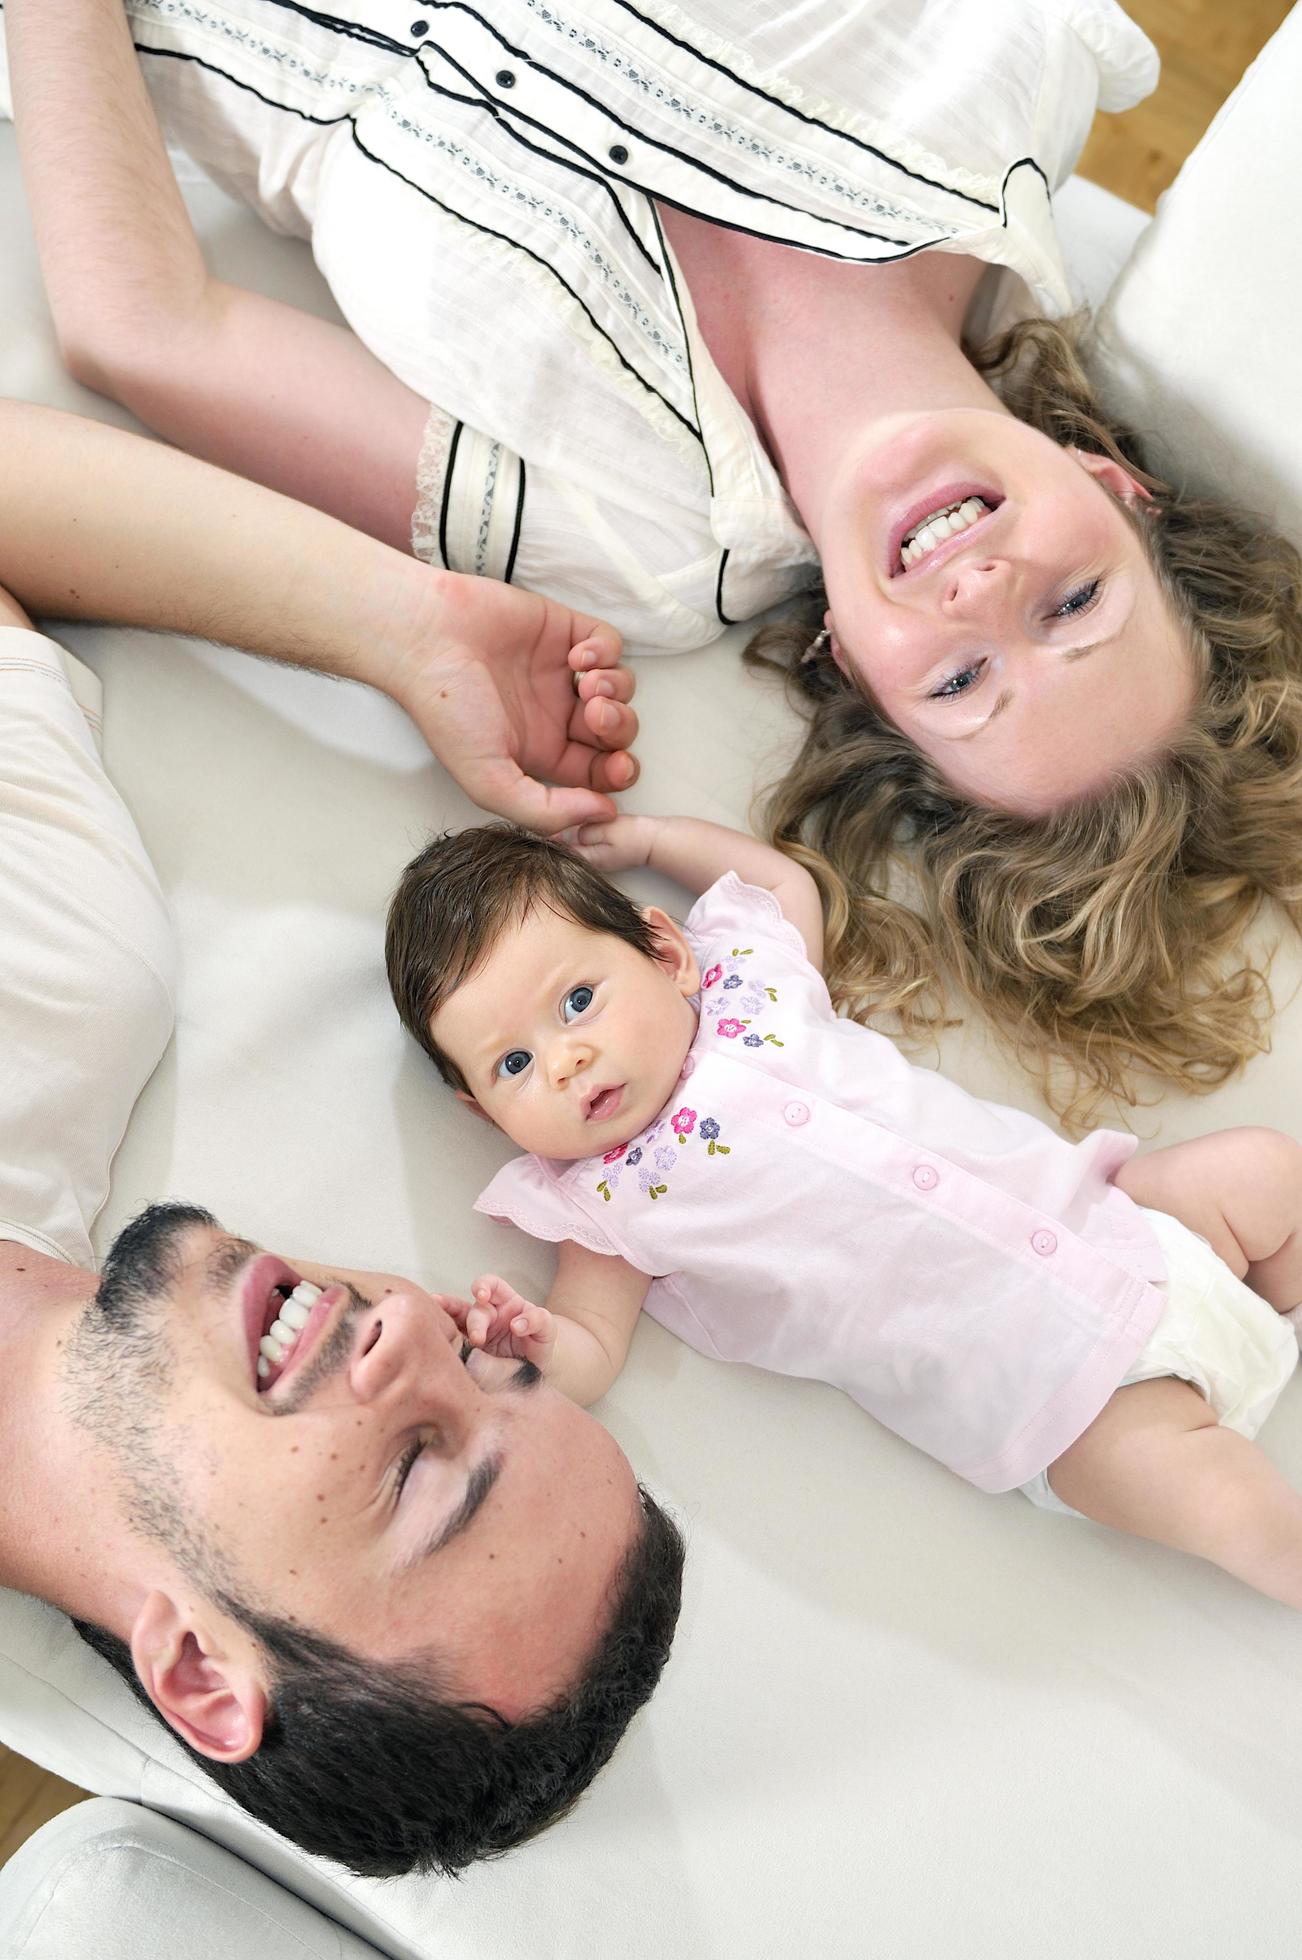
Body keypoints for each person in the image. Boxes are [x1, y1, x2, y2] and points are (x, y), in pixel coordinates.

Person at [11, 3, 1302, 1125]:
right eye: (1076, 604)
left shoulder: (629, 543)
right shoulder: (1004, 71)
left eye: (962, 684)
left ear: (850, 662)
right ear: (1115, 487)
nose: (982, 596)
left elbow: (148, 329)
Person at [0, 407, 683, 1878]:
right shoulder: (71, 975)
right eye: (494, 1363)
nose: (418, 1340)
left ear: (198, 1669)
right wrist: (407, 625)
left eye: (418, 1471)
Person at [384, 816, 1302, 1606]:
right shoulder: (609, 1204)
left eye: (578, 1001)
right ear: (480, 1111)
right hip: (1057, 1395)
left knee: (1265, 1171)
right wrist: (536, 1345)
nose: (564, 1061)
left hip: (1123, 1224)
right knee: (1230, 1506)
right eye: (512, 1065)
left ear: (668, 955)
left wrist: (654, 838)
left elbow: (785, 880)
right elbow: (592, 1346)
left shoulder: (751, 986)